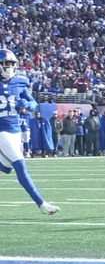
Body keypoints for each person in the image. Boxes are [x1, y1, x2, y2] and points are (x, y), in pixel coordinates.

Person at [0, 48, 58, 215]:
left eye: (11, 63)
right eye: (5, 64)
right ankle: (41, 203)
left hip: (15, 129)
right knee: (20, 164)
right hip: (1, 130)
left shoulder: (20, 81)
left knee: (6, 168)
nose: (9, 67)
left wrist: (26, 105)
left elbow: (34, 104)